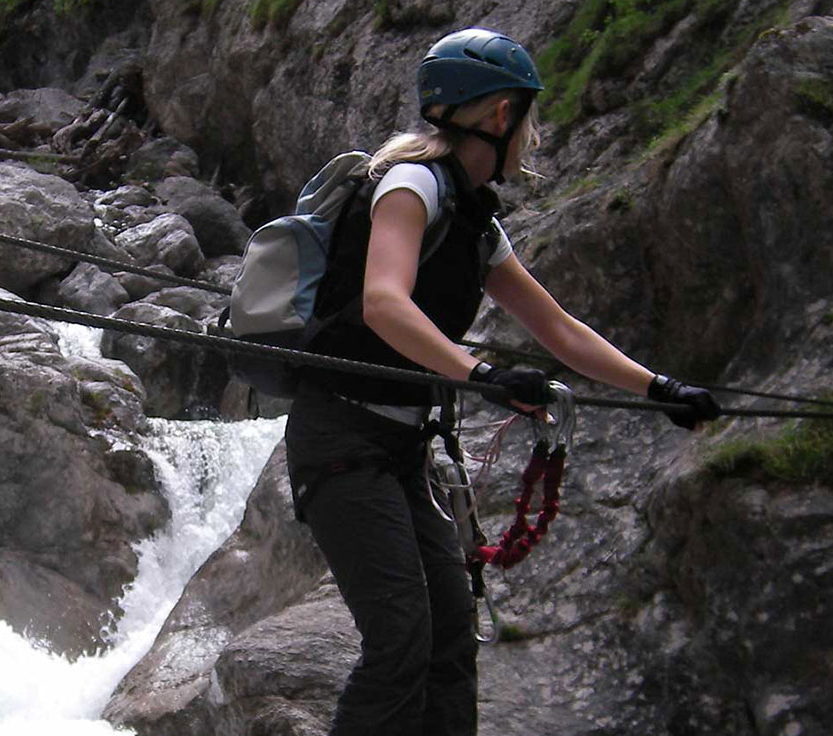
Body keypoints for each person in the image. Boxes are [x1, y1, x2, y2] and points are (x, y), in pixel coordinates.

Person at [283, 27, 721, 736]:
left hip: (394, 447)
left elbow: (559, 330)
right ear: (497, 115)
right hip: (338, 435)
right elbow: (383, 302)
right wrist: (481, 373)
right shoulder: (411, 183)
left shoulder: (476, 219)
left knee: (450, 630)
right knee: (400, 637)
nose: (534, 135)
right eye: (528, 115)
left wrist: (659, 389)